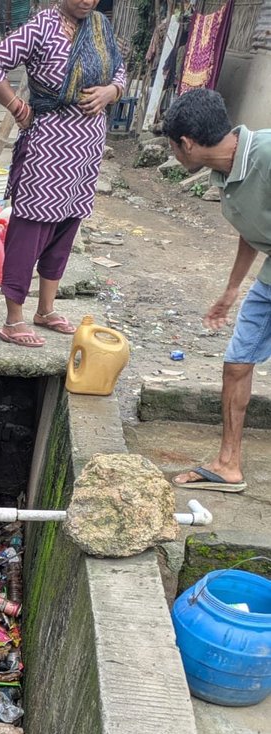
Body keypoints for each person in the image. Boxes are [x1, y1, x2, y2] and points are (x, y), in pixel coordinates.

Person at [0, 0, 126, 347]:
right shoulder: (41, 26)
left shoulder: (101, 27)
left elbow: (119, 71)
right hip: (48, 144)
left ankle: (45, 310)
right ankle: (13, 320)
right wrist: (17, 106)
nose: (87, 1)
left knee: (65, 227)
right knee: (31, 229)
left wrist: (110, 92)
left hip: (87, 148)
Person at [163, 89, 271, 493]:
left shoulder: (267, 154)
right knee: (238, 362)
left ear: (186, 144)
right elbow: (251, 226)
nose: (173, 152)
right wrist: (231, 290)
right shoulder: (226, 174)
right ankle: (228, 465)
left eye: (172, 146)